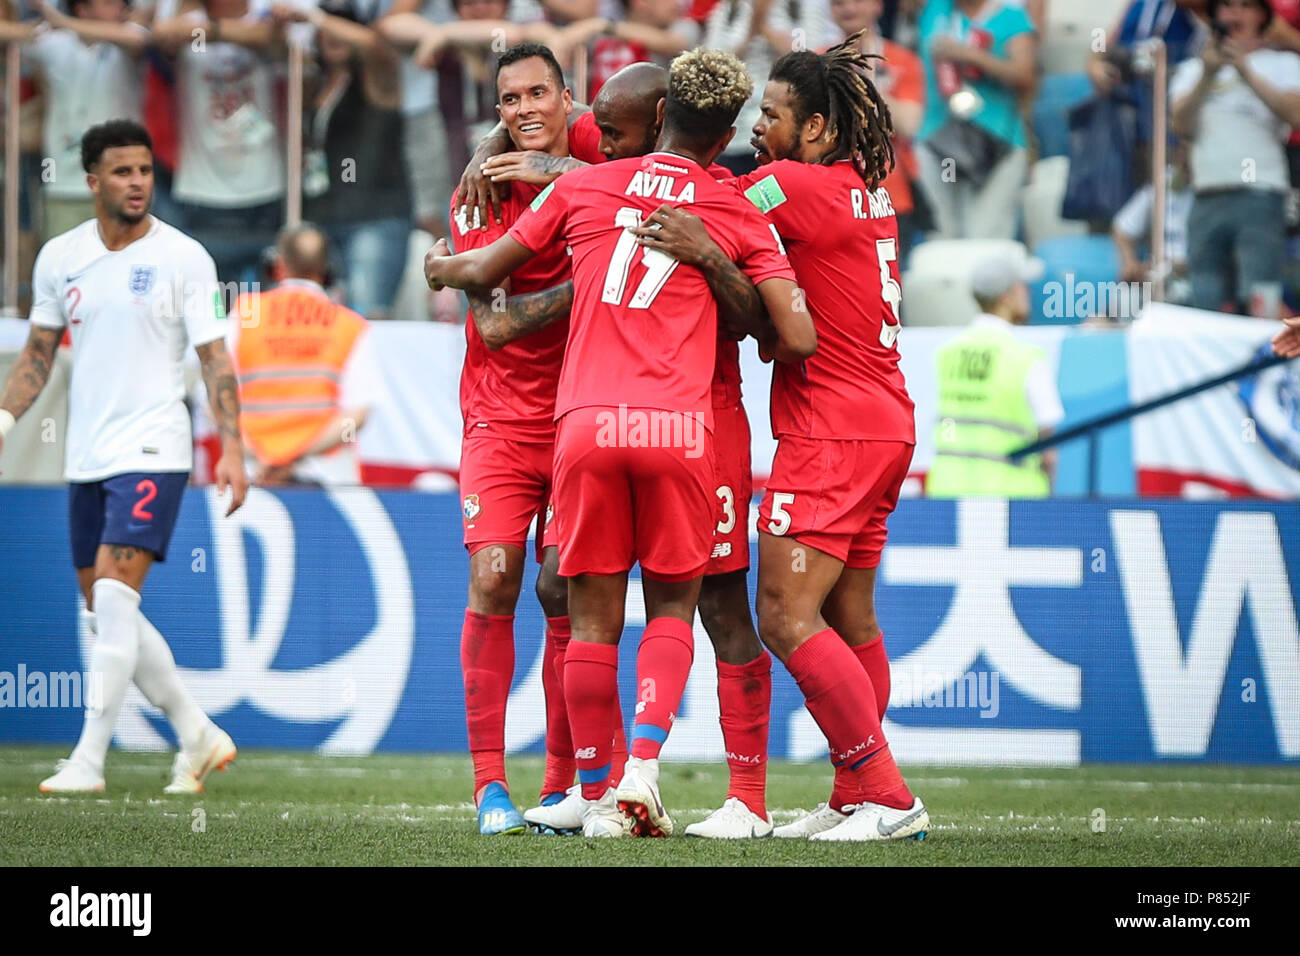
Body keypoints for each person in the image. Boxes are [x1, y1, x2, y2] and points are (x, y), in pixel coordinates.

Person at [425, 47, 815, 838]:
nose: (590, 135)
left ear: (650, 123)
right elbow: (789, 336)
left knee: (695, 603)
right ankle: (624, 778)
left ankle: (709, 796)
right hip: (683, 423)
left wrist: (442, 269)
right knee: (629, 596)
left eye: (603, 127)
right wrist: (496, 151)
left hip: (599, 418)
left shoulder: (593, 185)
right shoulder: (722, 199)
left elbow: (487, 285)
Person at [652, 36, 929, 841]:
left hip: (833, 429)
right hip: (885, 421)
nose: (756, 130)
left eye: (770, 115)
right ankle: (852, 795)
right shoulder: (863, 188)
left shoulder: (788, 186)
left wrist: (571, 175)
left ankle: (886, 794)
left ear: (813, 128)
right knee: (851, 619)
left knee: (780, 612)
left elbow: (692, 202)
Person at [0, 119, 248, 794]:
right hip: (85, 455)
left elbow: (215, 357)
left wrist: (232, 447)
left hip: (155, 445)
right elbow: (38, 353)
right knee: (107, 611)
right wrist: (3, 417)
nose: (137, 182)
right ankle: (196, 732)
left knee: (112, 595)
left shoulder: (187, 258)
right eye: (122, 171)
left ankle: (88, 761)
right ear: (91, 181)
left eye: (144, 170)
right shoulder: (59, 258)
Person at [275, 0, 412, 321]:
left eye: (340, 27)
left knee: (366, 318)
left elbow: (375, 45)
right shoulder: (313, 84)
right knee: (323, 319)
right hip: (323, 217)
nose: (332, 36)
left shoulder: (379, 78)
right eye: (324, 32)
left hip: (375, 218)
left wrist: (314, 17)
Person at [1171, 0, 1300, 316]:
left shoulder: (1282, 64)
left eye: (1245, 5)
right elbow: (1180, 125)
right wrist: (1207, 74)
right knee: (1204, 292)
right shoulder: (1192, 69)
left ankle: (1267, 361)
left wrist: (1245, 69)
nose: (1235, 15)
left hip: (1261, 190)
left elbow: (1295, 115)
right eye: (1227, 6)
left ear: (1262, 16)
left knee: (1260, 292)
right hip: (1207, 193)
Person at [227, 223, 383, 485]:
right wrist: (295, 455)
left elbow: (214, 399)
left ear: (277, 266)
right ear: (327, 271)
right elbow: (358, 414)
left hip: (255, 472)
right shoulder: (349, 325)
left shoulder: (245, 314)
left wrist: (267, 456)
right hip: (327, 474)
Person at [151, 0, 287, 292]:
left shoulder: (265, 13)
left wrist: (209, 30)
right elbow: (163, 34)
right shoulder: (187, 19)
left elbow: (274, 40)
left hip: (263, 189)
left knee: (262, 308)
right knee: (206, 301)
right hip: (203, 191)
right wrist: (223, 29)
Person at [926, 252, 1064, 498]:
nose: (1028, 293)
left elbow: (947, 424)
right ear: (1006, 297)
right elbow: (1048, 448)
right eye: (1023, 287)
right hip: (1011, 495)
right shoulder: (1026, 358)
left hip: (948, 490)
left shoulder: (948, 353)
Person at [21, 0, 147, 240]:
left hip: (122, 190)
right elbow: (13, 36)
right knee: (64, 271)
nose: (119, 8)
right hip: (63, 186)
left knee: (121, 271)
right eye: (109, 3)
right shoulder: (54, 43)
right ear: (82, 9)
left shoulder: (129, 35)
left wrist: (61, 21)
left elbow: (139, 41)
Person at [914, 0, 1036, 239]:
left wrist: (971, 56)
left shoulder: (1012, 16)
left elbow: (1026, 77)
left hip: (998, 143)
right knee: (941, 235)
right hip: (936, 139)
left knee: (984, 237)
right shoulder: (934, 9)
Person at [826, 0, 925, 256]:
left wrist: (865, 82)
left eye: (857, 1)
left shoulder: (902, 60)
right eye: (838, 3)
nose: (848, 9)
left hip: (890, 192)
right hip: (833, 194)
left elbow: (909, 124)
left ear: (878, 6)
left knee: (891, 283)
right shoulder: (818, 63)